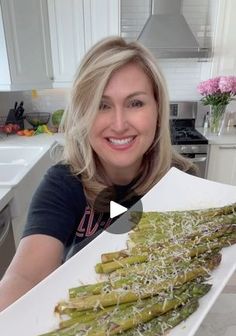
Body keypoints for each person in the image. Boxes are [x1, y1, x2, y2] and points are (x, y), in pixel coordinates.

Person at [0, 36, 196, 311]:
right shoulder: (64, 183)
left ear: (158, 110)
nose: (118, 124)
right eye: (102, 105)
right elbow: (24, 276)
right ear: (83, 113)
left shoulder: (182, 180)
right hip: (85, 319)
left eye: (135, 103)